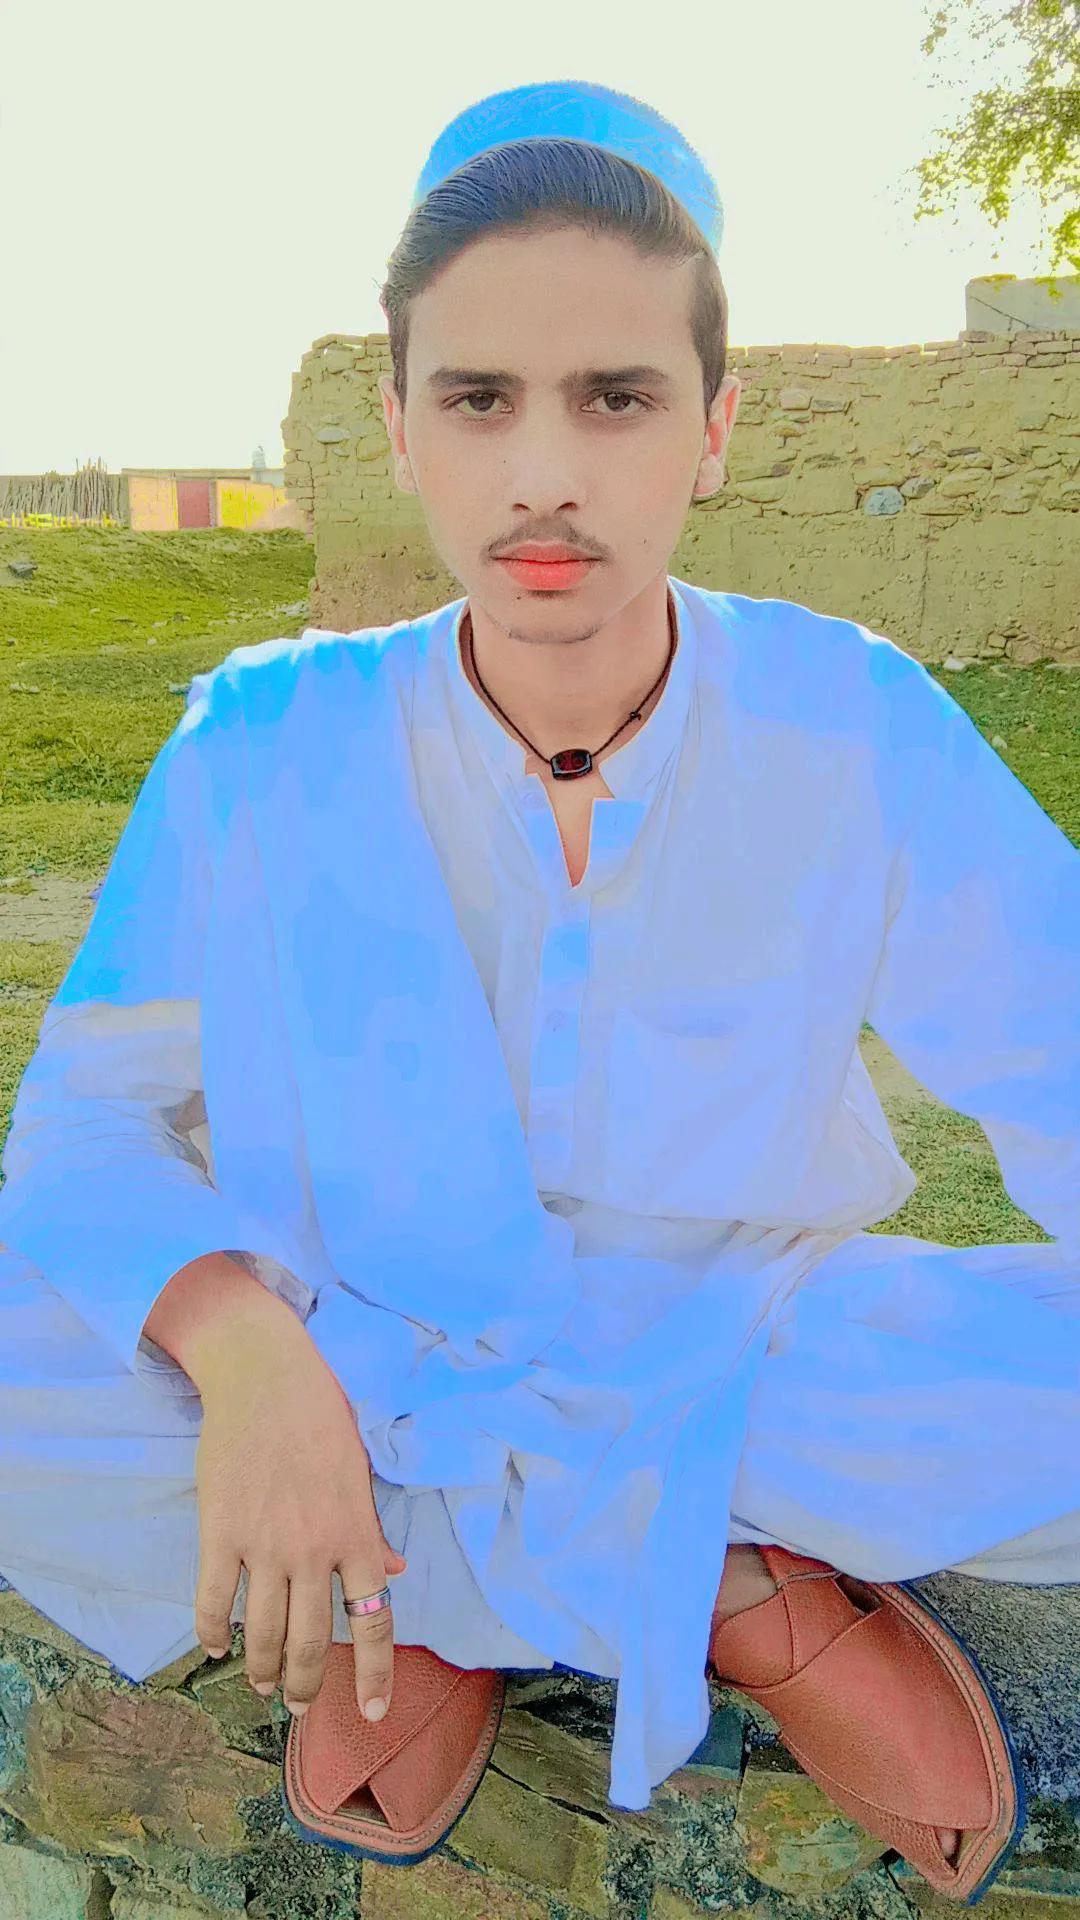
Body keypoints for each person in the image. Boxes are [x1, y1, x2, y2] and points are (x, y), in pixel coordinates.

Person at [1, 80, 1078, 1904]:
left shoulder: (852, 721)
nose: (545, 474)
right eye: (481, 398)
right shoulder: (263, 740)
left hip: (745, 1345)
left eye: (617, 398)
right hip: (358, 1343)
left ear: (714, 429)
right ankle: (719, 1584)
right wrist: (250, 1361)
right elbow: (83, 1132)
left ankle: (435, 1590)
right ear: (402, 428)